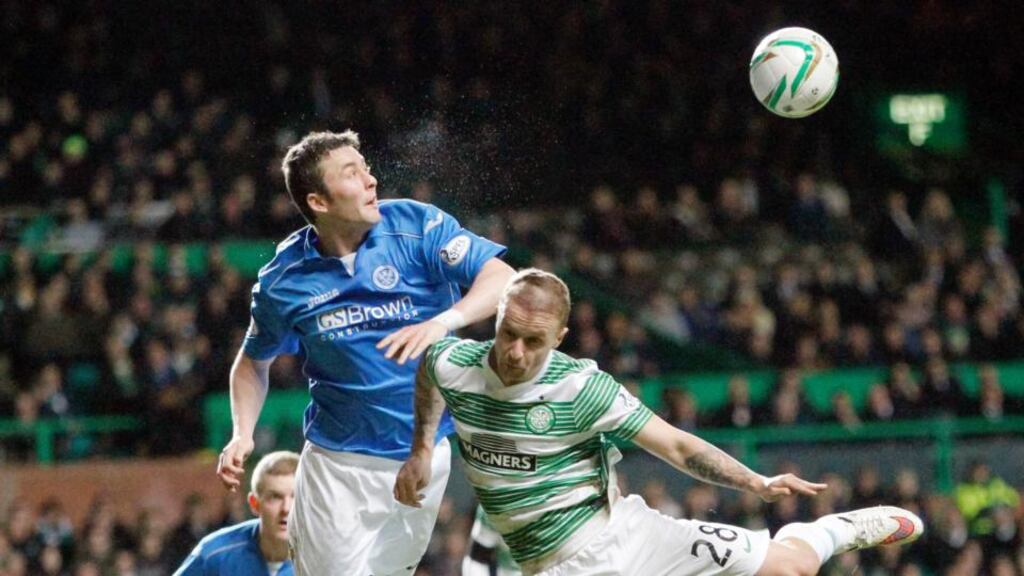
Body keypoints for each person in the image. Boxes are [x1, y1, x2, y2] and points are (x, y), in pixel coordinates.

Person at [395, 269, 924, 576]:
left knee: (792, 569)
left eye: (533, 341)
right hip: (544, 567)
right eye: (507, 332)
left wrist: (755, 482)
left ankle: (832, 529)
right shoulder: (451, 362)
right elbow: (427, 379)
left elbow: (675, 446)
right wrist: (421, 449)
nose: (514, 351)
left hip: (623, 540)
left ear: (558, 338)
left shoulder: (583, 389)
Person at [215, 130, 515, 575]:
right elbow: (252, 362)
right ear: (319, 201)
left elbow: (502, 277)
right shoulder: (285, 280)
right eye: (352, 174)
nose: (371, 180)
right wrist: (243, 432)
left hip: (426, 454)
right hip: (340, 467)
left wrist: (443, 321)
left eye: (367, 168)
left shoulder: (416, 226)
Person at [177, 451, 298, 575]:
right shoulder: (214, 553)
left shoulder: (318, 556)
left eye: (296, 497)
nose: (286, 509)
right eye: (275, 497)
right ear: (254, 504)